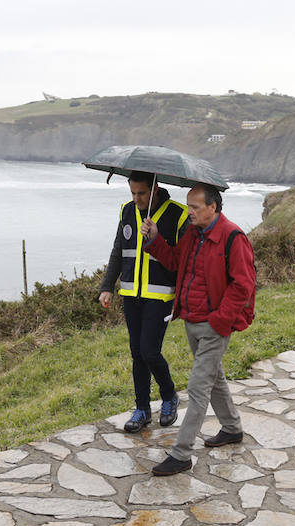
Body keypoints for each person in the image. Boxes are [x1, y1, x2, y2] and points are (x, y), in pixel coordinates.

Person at [140, 183, 256, 475]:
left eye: (195, 207)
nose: (189, 211)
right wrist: (154, 239)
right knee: (214, 377)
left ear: (213, 207)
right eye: (188, 205)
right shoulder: (193, 234)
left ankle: (181, 454)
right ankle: (232, 428)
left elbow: (244, 285)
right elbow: (176, 263)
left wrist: (220, 320)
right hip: (191, 320)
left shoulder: (233, 237)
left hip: (214, 324)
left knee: (198, 386)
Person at [99, 171, 189, 433]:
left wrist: (155, 238)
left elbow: (180, 262)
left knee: (150, 351)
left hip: (160, 296)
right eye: (133, 193)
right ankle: (142, 409)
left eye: (142, 193)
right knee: (137, 353)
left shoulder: (178, 214)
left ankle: (169, 395)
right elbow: (118, 250)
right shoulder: (126, 211)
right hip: (131, 294)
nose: (137, 198)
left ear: (155, 188)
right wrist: (107, 287)